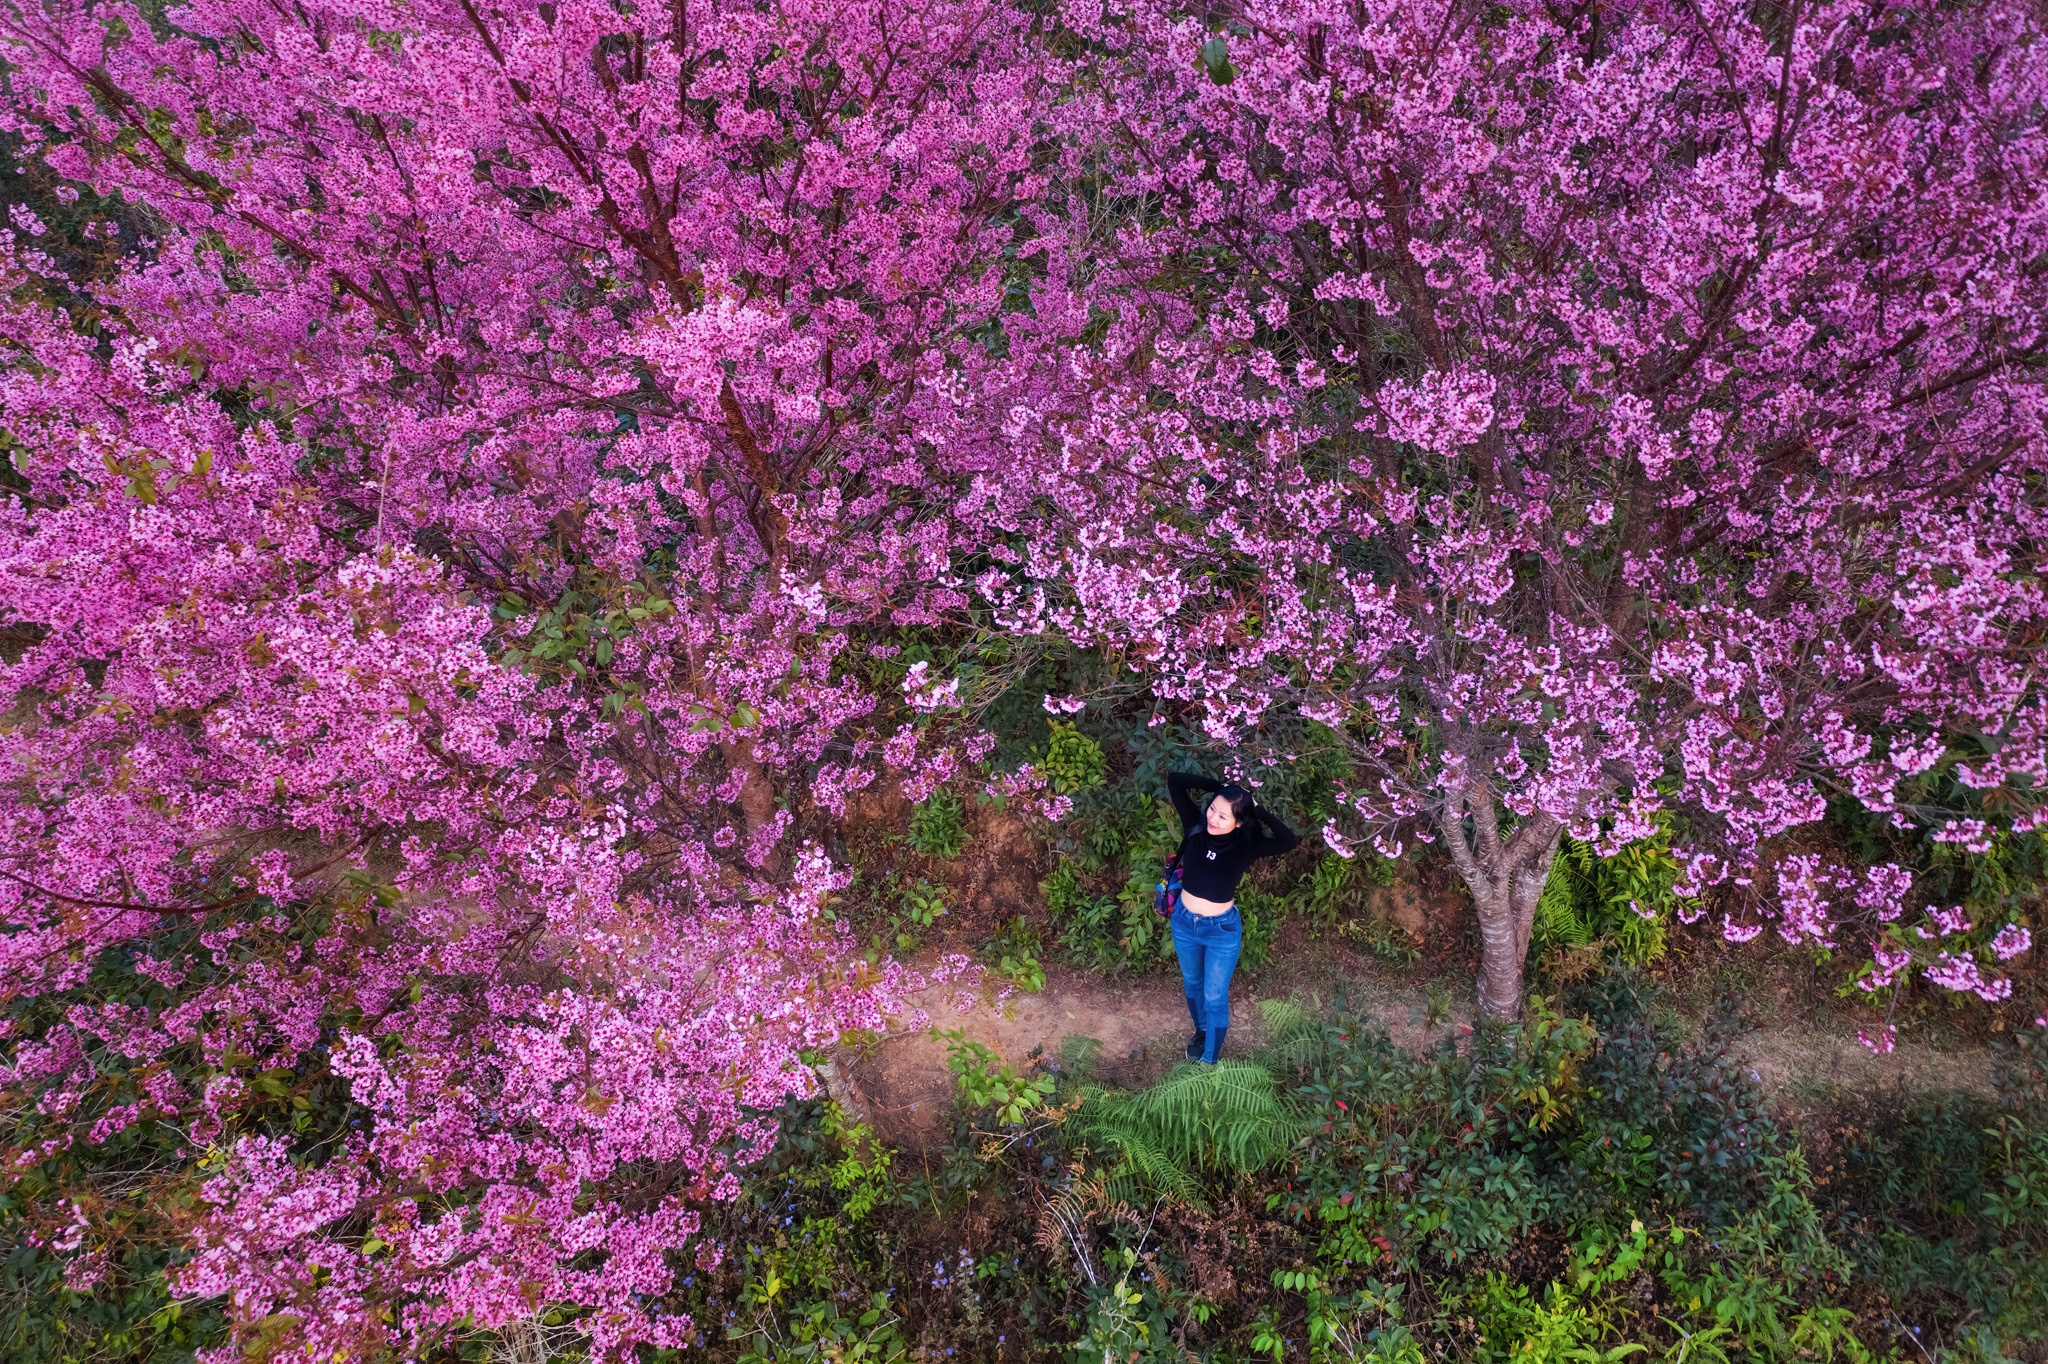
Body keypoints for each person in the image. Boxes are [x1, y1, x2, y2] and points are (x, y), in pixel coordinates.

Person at [1165, 771, 1300, 1064]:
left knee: (1214, 996)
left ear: (1239, 822)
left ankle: (1209, 1059)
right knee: (1192, 983)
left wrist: (1254, 805)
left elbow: (1288, 840)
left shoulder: (1246, 844)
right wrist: (1224, 789)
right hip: (1185, 923)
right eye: (1212, 808)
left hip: (1221, 931)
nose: (1213, 818)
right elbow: (1175, 781)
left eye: (1223, 816)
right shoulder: (1196, 826)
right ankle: (1201, 1032)